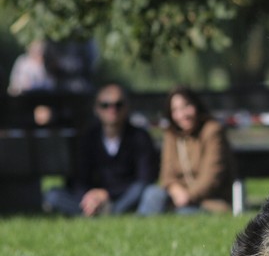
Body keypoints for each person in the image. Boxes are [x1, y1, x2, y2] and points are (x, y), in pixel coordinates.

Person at [44, 84, 158, 216]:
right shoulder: (88, 137)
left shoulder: (140, 137)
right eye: (105, 105)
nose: (112, 109)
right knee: (53, 195)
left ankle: (112, 213)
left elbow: (145, 179)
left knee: (147, 191)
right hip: (91, 198)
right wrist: (91, 196)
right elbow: (78, 178)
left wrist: (107, 194)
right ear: (97, 109)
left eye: (118, 105)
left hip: (123, 198)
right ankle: (90, 212)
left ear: (127, 107)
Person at [137, 86, 235, 215]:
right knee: (152, 193)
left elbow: (211, 177)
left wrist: (188, 196)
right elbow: (166, 174)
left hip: (208, 200)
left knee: (185, 213)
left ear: (196, 105)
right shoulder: (171, 134)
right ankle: (142, 229)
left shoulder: (212, 131)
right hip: (178, 196)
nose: (182, 115)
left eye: (186, 106)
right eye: (175, 110)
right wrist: (175, 189)